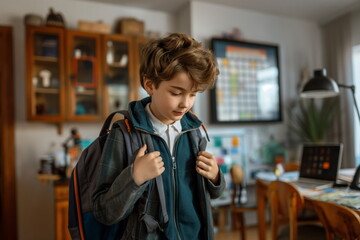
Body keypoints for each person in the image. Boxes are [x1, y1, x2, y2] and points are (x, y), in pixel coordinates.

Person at [92, 32, 225, 239]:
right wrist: (134, 178)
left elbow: (213, 194)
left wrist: (215, 177)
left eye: (193, 94)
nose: (186, 104)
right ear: (150, 85)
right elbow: (103, 212)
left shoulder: (195, 131)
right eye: (176, 92)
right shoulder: (124, 134)